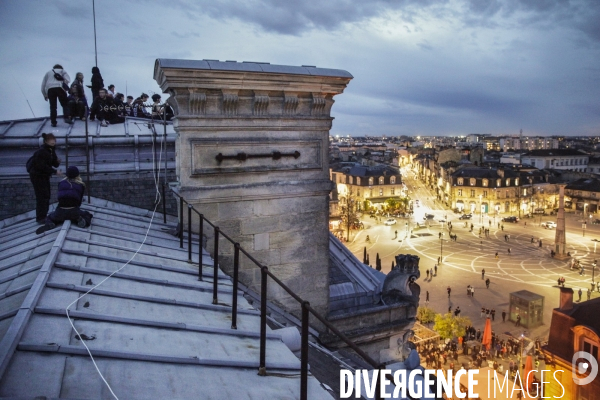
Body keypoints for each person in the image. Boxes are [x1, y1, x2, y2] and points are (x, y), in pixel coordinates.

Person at [38, 166, 93, 233]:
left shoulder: (61, 183)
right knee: (87, 214)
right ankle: (81, 221)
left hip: (60, 210)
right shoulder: (81, 185)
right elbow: (79, 203)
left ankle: (51, 223)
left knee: (50, 217)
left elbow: (59, 198)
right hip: (74, 211)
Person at [28, 133, 62, 223]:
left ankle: (43, 216)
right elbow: (41, 166)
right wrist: (55, 171)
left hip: (43, 175)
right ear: (46, 141)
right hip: (38, 176)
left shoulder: (51, 150)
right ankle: (41, 218)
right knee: (42, 196)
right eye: (51, 141)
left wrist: (57, 162)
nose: (53, 142)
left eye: (54, 140)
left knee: (46, 195)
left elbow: (53, 162)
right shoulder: (42, 152)